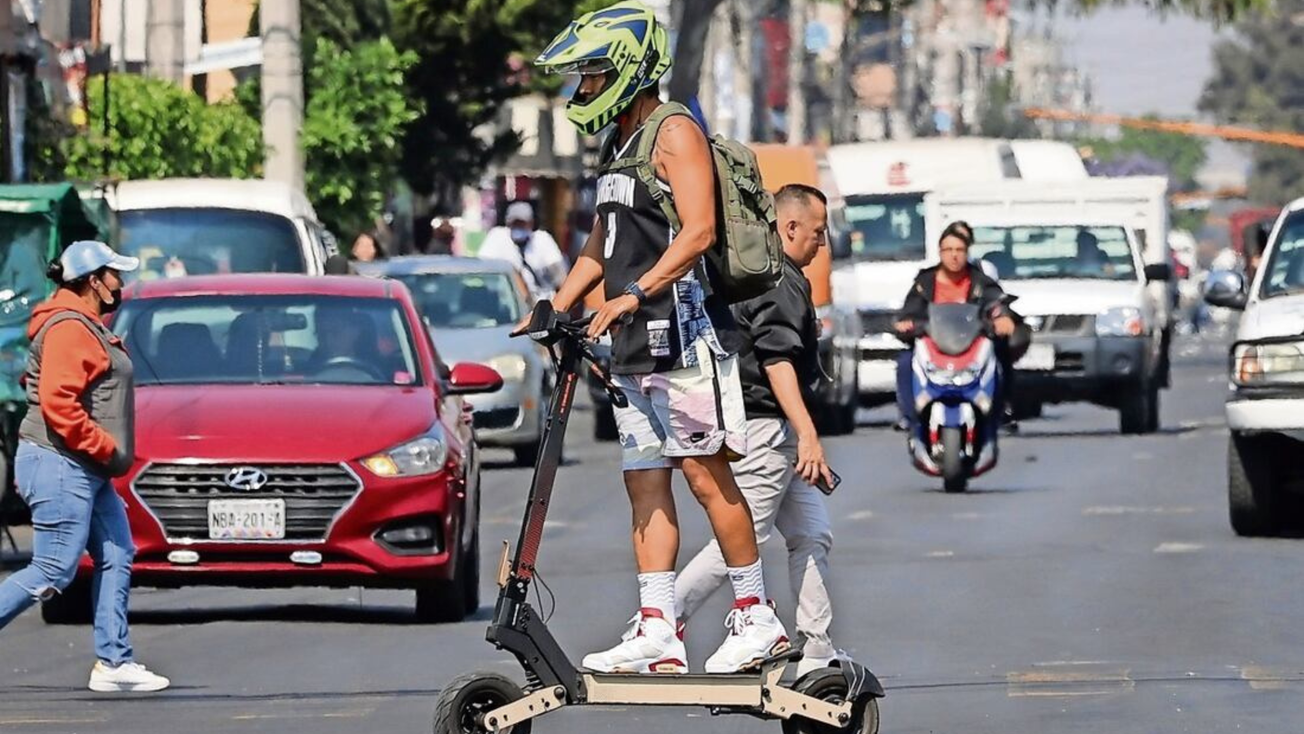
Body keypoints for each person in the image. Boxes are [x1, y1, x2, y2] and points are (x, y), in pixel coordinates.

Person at [532, 1, 788, 674]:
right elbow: (601, 242)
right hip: (632, 344)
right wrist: (555, 306)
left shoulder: (674, 132)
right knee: (644, 483)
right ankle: (657, 630)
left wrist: (634, 293)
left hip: (683, 334)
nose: (582, 87)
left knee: (706, 475)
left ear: (628, 69)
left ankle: (756, 617)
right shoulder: (618, 143)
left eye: (592, 74)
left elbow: (699, 231)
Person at [676, 184, 842, 677]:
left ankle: (817, 648)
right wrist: (807, 434)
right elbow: (777, 361)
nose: (822, 244)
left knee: (811, 534)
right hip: (765, 429)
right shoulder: (778, 281)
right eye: (817, 233)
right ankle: (663, 620)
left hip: (773, 430)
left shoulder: (766, 273)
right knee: (739, 539)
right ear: (789, 228)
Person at [0, 240, 170, 693]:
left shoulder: (83, 325)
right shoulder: (69, 328)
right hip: (61, 463)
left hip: (83, 466)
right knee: (53, 568)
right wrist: (103, 446)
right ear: (94, 281)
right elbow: (59, 403)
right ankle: (114, 659)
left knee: (117, 552)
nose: (121, 282)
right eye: (115, 274)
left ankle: (114, 661)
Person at [894, 222, 1017, 431]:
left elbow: (996, 303)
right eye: (948, 250)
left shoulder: (981, 281)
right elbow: (910, 311)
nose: (954, 255)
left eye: (959, 250)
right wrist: (906, 323)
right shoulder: (925, 282)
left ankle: (996, 415)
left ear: (967, 252)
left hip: (972, 346)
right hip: (933, 346)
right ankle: (911, 419)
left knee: (997, 361)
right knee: (905, 362)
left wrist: (1002, 318)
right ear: (940, 252)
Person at [478, 201, 568, 296]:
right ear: (508, 224)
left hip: (542, 297)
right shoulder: (498, 236)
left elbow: (559, 274)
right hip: (508, 297)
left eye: (522, 224)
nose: (519, 227)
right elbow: (483, 266)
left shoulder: (542, 239)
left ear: (531, 224)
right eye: (515, 224)